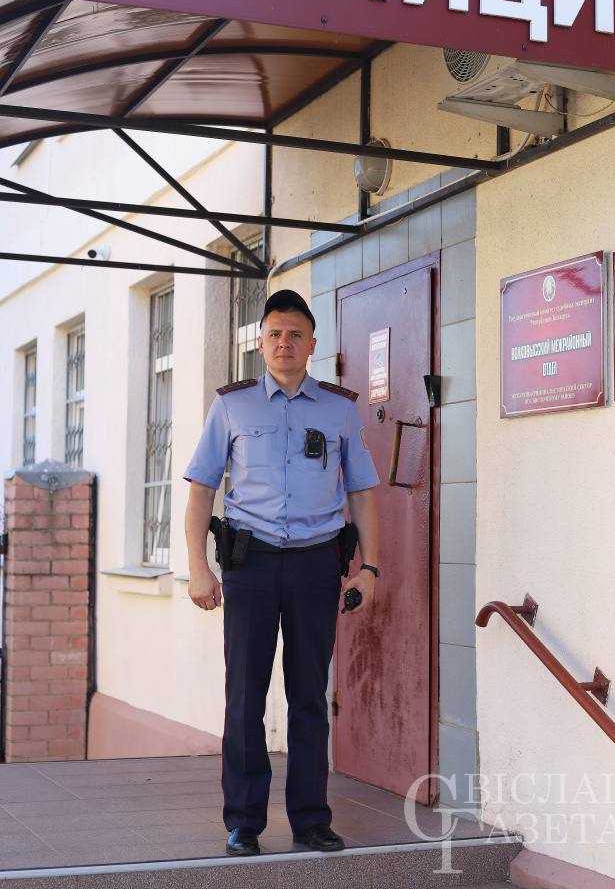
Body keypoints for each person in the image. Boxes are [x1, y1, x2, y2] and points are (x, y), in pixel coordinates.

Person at [183, 289, 380, 857]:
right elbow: (201, 490)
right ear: (261, 342)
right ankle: (244, 822)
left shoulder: (340, 409)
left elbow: (362, 493)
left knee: (309, 697)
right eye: (274, 334)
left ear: (313, 344)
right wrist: (198, 568)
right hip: (250, 565)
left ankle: (311, 820)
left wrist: (369, 568)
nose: (284, 343)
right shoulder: (232, 406)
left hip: (317, 565)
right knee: (244, 696)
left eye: (295, 334)